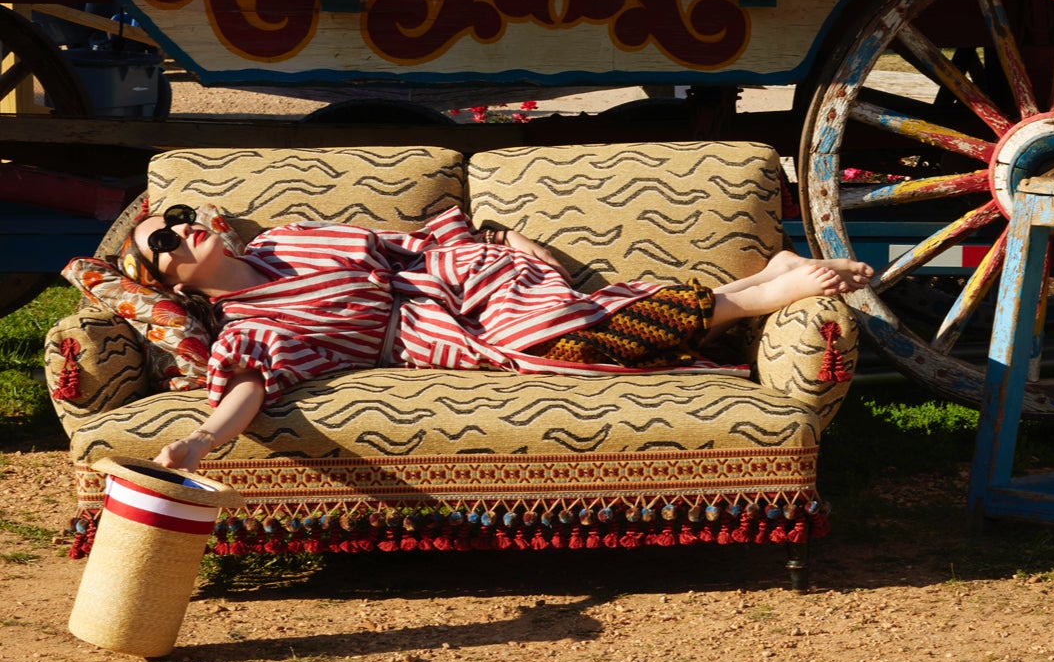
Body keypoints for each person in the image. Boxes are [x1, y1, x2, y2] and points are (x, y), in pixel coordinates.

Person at [124, 204, 871, 476]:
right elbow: (249, 389)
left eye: (179, 217)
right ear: (175, 285)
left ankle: (769, 289)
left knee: (546, 329)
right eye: (162, 241)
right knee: (564, 342)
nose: (179, 229)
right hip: (428, 333)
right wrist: (201, 441)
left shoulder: (291, 237)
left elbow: (402, 242)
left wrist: (502, 240)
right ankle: (757, 288)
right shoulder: (255, 328)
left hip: (461, 276)